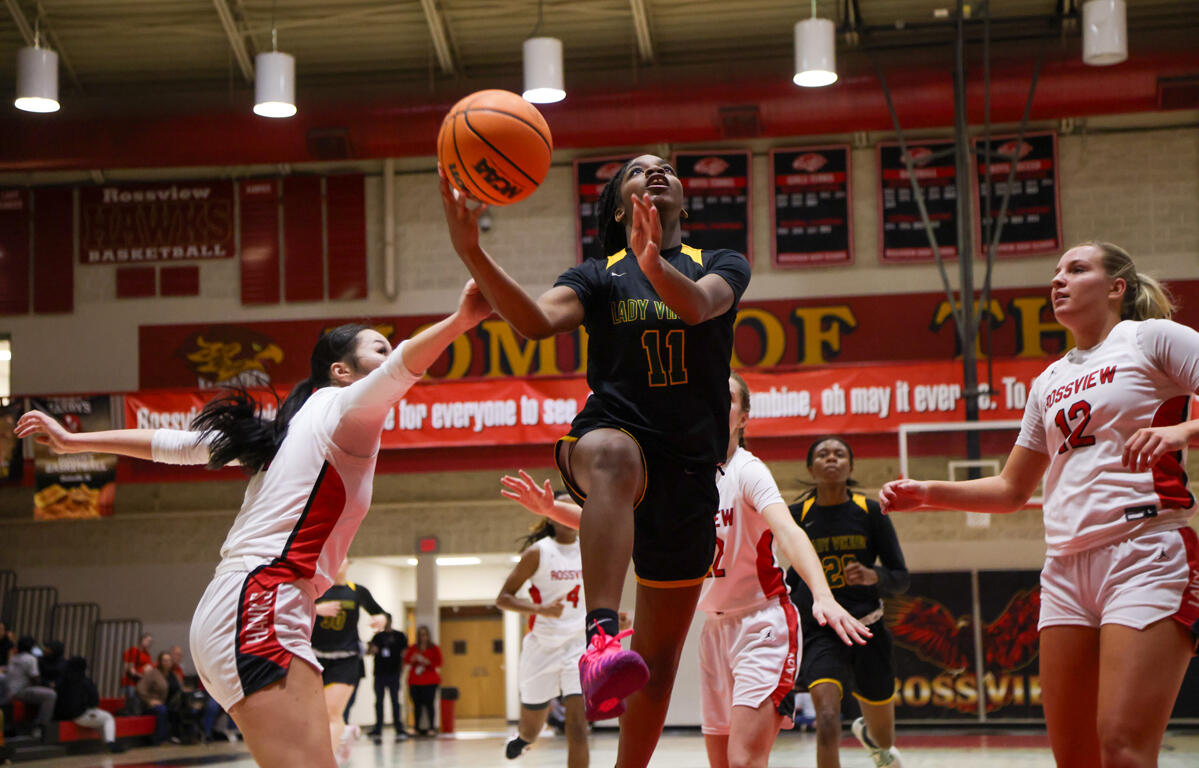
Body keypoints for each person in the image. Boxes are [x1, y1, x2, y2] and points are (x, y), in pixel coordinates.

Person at [14, 281, 491, 768]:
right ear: (341, 371)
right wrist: (461, 321)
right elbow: (404, 365)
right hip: (261, 603)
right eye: (379, 347)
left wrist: (76, 443)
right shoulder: (339, 407)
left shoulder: (284, 434)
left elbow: (176, 445)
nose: (389, 353)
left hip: (247, 605)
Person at [442, 153, 752, 767]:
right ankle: (601, 635)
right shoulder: (597, 275)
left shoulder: (722, 263)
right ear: (618, 205)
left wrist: (654, 264)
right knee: (612, 454)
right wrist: (471, 250)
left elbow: (696, 306)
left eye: (665, 168)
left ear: (684, 204)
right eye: (638, 171)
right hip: (613, 440)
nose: (655, 172)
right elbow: (532, 321)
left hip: (690, 473)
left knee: (658, 670)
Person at [881, 241, 1199, 768]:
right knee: (1074, 758)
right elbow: (1011, 489)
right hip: (1067, 569)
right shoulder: (1048, 380)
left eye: (1076, 269)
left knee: (1123, 750)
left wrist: (1181, 430)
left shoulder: (1149, 338)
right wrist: (931, 493)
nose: (1058, 280)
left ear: (1116, 287)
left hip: (1147, 551)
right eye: (1056, 272)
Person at [501, 373, 870, 768]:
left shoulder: (749, 471)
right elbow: (620, 520)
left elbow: (788, 530)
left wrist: (823, 594)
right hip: (713, 630)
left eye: (727, 399)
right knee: (721, 762)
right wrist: (550, 510)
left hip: (762, 624)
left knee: (745, 760)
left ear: (743, 417)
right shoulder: (684, 477)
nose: (714, 402)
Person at [788, 436, 910, 768]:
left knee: (886, 740)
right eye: (823, 454)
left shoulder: (869, 511)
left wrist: (875, 576)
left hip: (867, 628)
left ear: (850, 466)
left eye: (839, 454)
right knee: (826, 719)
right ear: (810, 467)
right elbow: (792, 575)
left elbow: (901, 577)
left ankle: (872, 739)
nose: (831, 459)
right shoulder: (797, 515)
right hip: (822, 632)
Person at [495, 507, 588, 767]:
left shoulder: (590, 547)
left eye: (574, 510)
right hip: (543, 646)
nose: (569, 516)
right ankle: (523, 739)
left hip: (578, 644)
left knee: (578, 727)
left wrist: (612, 616)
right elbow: (503, 598)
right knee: (532, 728)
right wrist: (541, 609)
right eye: (562, 510)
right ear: (551, 517)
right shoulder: (539, 552)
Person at [312, 557, 389, 760]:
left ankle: (326, 762)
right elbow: (292, 612)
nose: (337, 562)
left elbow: (381, 613)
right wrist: (316, 610)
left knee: (331, 712)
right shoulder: (315, 588)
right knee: (314, 716)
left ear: (348, 564)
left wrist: (381, 619)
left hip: (346, 658)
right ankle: (344, 733)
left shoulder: (357, 591)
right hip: (315, 658)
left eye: (342, 559)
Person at [55, 655, 125, 753]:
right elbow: (94, 701)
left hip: (61, 715)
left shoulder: (61, 680)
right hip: (78, 715)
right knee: (108, 717)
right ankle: (110, 744)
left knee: (100, 720)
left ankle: (107, 744)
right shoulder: (86, 681)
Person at [3, 636, 56, 741]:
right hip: (20, 691)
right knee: (51, 695)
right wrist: (48, 684)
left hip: (9, 690)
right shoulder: (31, 659)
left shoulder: (14, 657)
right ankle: (40, 726)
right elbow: (35, 678)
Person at [367, 615, 408, 741]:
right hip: (380, 673)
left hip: (394, 673)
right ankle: (378, 728)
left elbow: (405, 653)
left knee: (395, 701)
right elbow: (369, 651)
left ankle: (398, 727)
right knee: (379, 701)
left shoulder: (400, 636)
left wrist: (402, 668)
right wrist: (372, 649)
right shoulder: (377, 636)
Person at [403, 625, 442, 736]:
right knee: (417, 705)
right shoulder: (413, 648)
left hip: (430, 681)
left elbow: (439, 663)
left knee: (430, 705)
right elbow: (406, 661)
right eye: (420, 635)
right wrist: (413, 659)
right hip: (415, 681)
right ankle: (416, 728)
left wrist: (426, 661)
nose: (423, 637)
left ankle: (431, 728)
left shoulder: (434, 648)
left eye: (425, 634)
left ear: (428, 636)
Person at [136, 651, 176, 745]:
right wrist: (149, 700)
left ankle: (176, 736)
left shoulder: (172, 675)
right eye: (164, 660)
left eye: (169, 660)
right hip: (150, 705)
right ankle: (160, 740)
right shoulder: (153, 674)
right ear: (160, 662)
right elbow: (140, 688)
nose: (167, 663)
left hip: (165, 703)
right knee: (162, 710)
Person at [120, 632, 153, 714]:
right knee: (131, 700)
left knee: (138, 703)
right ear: (142, 640)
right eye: (147, 641)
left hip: (141, 682)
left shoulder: (147, 655)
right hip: (131, 681)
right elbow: (129, 668)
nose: (149, 644)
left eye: (150, 642)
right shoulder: (133, 651)